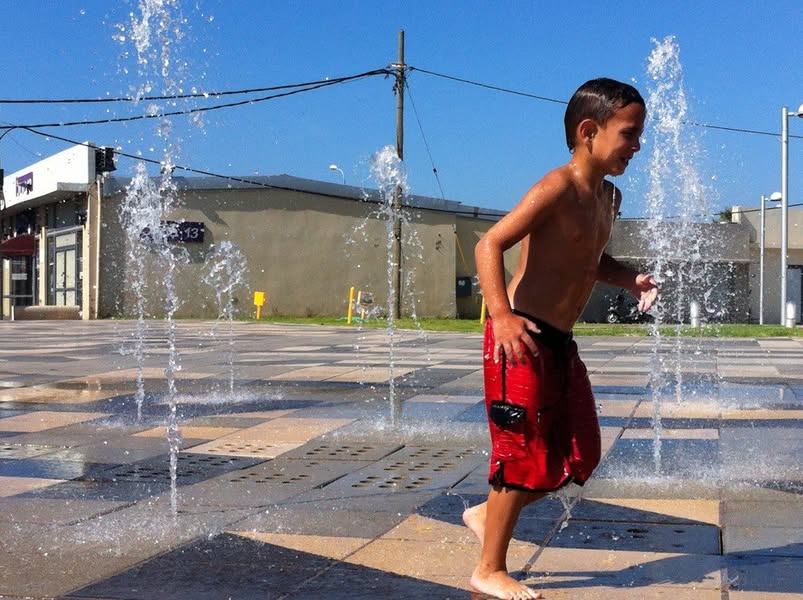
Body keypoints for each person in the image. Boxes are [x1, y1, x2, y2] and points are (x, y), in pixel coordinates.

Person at [464, 78, 659, 600]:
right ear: (589, 131)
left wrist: (631, 279)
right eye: (630, 134)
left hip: (559, 342)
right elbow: (490, 244)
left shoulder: (608, 198)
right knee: (521, 452)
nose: (637, 147)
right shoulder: (557, 187)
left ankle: (488, 513)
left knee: (579, 455)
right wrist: (500, 316)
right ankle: (489, 568)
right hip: (519, 335)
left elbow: (591, 262)